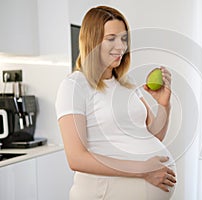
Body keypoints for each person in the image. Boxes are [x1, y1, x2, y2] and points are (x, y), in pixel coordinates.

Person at [55, 5, 176, 200]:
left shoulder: (127, 84)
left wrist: (164, 105)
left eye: (124, 39)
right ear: (92, 41)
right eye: (111, 39)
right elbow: (76, 158)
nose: (121, 46)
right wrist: (143, 170)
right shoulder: (74, 85)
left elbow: (153, 135)